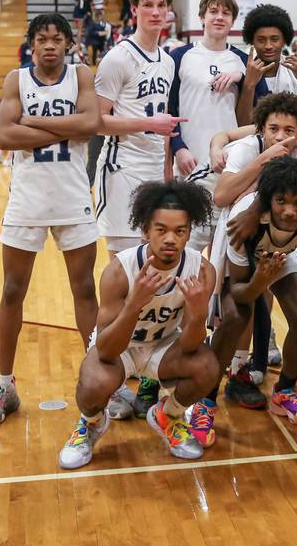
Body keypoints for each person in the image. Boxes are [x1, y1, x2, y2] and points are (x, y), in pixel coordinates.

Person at [0, 13, 100, 427]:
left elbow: (91, 124)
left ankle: (100, 378)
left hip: (71, 196)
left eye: (57, 38)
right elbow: (6, 136)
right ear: (32, 45)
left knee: (84, 288)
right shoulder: (16, 80)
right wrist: (65, 129)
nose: (50, 45)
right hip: (27, 198)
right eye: (43, 39)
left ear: (68, 44)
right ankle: (6, 385)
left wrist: (34, 122)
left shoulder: (81, 75)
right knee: (13, 290)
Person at [57, 181, 220, 468]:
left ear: (189, 233)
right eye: (161, 229)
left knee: (207, 367)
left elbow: (191, 346)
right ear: (146, 230)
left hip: (163, 347)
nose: (171, 238)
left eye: (179, 231)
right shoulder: (120, 271)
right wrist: (135, 305)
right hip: (121, 350)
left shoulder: (201, 271)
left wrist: (198, 313)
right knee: (95, 382)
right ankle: (91, 423)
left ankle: (168, 416)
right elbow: (106, 349)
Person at [205, 156, 297, 435]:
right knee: (234, 319)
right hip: (243, 267)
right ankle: (206, 399)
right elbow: (240, 292)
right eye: (281, 201)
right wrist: (259, 282)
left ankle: (284, 391)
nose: (290, 211)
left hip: (281, 260)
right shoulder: (243, 222)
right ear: (269, 200)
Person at [94, 0, 179, 256]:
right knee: (123, 263)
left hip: (154, 169)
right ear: (134, 10)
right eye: (147, 5)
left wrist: (167, 169)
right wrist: (148, 123)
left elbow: (164, 123)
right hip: (122, 169)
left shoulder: (167, 61)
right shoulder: (118, 58)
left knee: (152, 263)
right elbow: (96, 122)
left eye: (161, 5)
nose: (155, 12)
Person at [168, 0, 249, 255]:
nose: (219, 17)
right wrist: (178, 147)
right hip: (190, 163)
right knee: (185, 251)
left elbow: (260, 112)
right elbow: (169, 109)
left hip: (228, 167)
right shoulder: (180, 57)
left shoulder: (243, 61)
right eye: (213, 11)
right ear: (202, 17)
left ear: (233, 21)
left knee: (221, 258)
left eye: (226, 13)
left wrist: (241, 76)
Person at [238, 4, 297, 118]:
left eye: (275, 39)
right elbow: (241, 124)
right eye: (261, 40)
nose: (268, 46)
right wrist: (248, 86)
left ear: (284, 40)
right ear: (252, 40)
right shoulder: (241, 70)